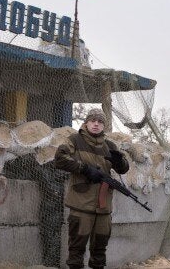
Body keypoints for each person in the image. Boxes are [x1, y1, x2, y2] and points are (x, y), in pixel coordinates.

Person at [54, 108, 129, 269]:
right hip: (81, 205)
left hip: (103, 208)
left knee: (100, 251)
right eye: (93, 120)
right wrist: (85, 169)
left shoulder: (110, 145)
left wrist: (119, 162)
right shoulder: (74, 140)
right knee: (76, 250)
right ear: (86, 122)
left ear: (104, 125)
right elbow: (59, 159)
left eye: (100, 121)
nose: (96, 124)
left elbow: (124, 168)